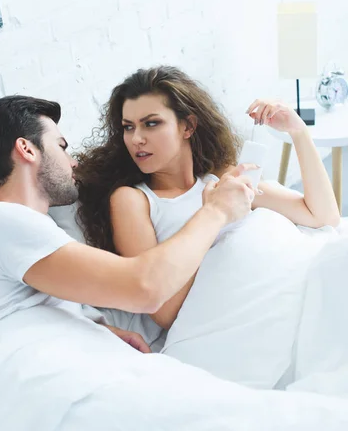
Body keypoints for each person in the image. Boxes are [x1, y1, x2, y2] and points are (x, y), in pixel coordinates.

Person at [0, 95, 256, 366]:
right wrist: (216, 211)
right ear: (27, 149)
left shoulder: (22, 232)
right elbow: (145, 290)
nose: (72, 163)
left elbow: (27, 310)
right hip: (18, 376)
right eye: (61, 146)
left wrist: (103, 331)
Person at [76, 66, 340, 331]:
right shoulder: (133, 200)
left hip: (284, 286)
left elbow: (322, 217)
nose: (137, 139)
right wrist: (213, 213)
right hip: (235, 318)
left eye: (151, 123)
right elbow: (164, 310)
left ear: (188, 126)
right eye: (128, 127)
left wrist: (298, 132)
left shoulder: (220, 180)